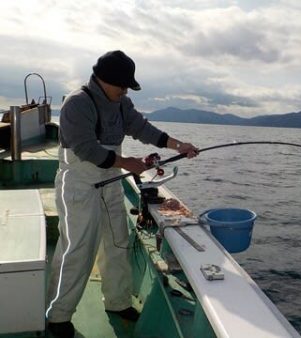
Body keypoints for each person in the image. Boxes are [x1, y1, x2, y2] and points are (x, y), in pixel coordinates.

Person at [46, 50, 198, 337]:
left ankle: (117, 302)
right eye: (122, 85)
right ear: (104, 80)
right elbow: (86, 150)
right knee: (77, 249)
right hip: (79, 183)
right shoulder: (76, 103)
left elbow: (142, 128)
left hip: (111, 179)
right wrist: (128, 163)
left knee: (118, 241)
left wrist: (179, 145)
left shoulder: (121, 103)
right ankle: (58, 316)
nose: (125, 90)